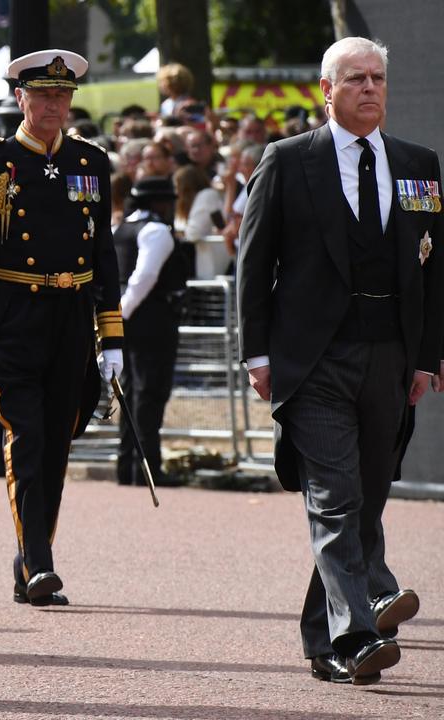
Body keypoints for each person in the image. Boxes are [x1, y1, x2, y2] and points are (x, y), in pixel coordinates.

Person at [238, 36, 438, 686]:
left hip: (390, 355)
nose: (370, 89)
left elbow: (435, 273)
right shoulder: (288, 160)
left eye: (377, 77)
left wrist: (428, 357)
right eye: (355, 79)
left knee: (366, 500)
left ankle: (322, 636)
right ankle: (359, 633)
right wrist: (257, 352)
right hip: (313, 359)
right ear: (326, 90)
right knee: (334, 497)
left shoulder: (418, 165)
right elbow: (253, 260)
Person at [0, 49, 122, 608]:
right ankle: (41, 562)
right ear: (19, 98)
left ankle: (30, 558)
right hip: (15, 313)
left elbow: (103, 253)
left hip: (71, 317)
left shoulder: (92, 162)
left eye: (62, 95)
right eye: (42, 95)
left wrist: (112, 334)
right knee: (24, 437)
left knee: (56, 442)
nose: (53, 105)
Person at [114, 177, 187, 487]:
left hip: (127, 320)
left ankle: (128, 468)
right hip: (151, 321)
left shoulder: (120, 228)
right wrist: (123, 313)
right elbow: (144, 277)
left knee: (132, 394)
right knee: (149, 394)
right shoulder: (156, 231)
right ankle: (147, 470)